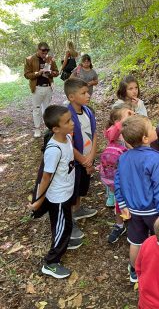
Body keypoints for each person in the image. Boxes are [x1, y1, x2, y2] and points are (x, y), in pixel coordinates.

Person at [114, 115, 159, 283]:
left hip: (133, 210)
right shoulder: (155, 158)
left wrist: (122, 204)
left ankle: (134, 271)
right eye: (152, 128)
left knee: (136, 241)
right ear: (145, 138)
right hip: (153, 210)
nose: (155, 129)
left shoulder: (123, 157)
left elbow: (118, 181)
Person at [28, 105, 76, 279]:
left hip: (66, 192)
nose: (72, 123)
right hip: (59, 196)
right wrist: (38, 201)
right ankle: (51, 262)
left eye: (71, 119)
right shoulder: (53, 150)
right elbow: (45, 177)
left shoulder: (67, 138)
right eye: (68, 122)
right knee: (62, 227)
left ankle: (63, 241)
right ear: (55, 128)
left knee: (64, 224)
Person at [64, 78, 98, 244]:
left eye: (87, 92)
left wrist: (91, 156)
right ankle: (70, 223)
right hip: (76, 162)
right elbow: (68, 143)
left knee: (82, 187)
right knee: (72, 190)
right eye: (83, 93)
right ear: (71, 97)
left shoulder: (88, 112)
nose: (88, 95)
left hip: (87, 159)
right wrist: (84, 160)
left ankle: (78, 210)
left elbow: (94, 133)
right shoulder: (67, 116)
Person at [98, 103, 134, 243]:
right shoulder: (113, 132)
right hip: (117, 176)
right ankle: (120, 225)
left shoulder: (131, 131)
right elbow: (112, 133)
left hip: (131, 174)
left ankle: (134, 224)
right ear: (116, 122)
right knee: (120, 201)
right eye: (127, 115)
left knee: (132, 199)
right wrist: (122, 124)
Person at [24, 42, 59, 138]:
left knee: (47, 109)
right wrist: (38, 73)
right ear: (38, 49)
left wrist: (51, 73)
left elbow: (57, 72)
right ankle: (37, 129)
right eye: (43, 51)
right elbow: (27, 75)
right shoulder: (30, 59)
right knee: (36, 109)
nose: (45, 53)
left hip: (48, 87)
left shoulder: (50, 59)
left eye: (46, 51)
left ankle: (48, 128)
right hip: (37, 88)